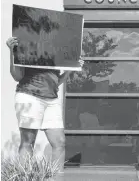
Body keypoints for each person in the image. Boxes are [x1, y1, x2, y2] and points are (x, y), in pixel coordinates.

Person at [6, 37, 84, 177]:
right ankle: (24, 179)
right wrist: (12, 52)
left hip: (51, 99)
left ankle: (57, 179)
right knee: (28, 142)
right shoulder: (28, 46)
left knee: (59, 142)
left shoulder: (55, 53)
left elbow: (57, 81)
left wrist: (71, 68)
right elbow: (17, 76)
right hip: (29, 95)